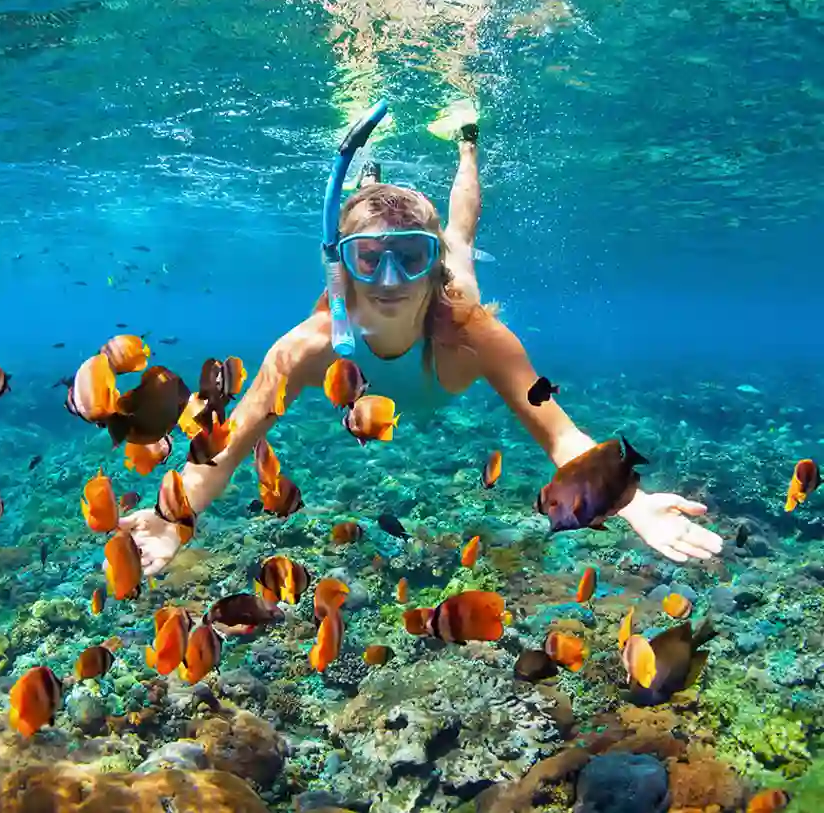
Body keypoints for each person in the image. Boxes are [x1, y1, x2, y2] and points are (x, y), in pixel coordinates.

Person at [121, 117, 725, 571]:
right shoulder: (307, 348)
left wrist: (628, 498)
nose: (390, 281)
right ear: (342, 266)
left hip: (454, 285)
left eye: (411, 257)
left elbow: (561, 435)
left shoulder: (477, 336)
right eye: (369, 258)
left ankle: (466, 142)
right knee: (394, 221)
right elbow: (226, 450)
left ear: (433, 268)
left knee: (461, 234)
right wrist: (176, 515)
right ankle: (371, 182)